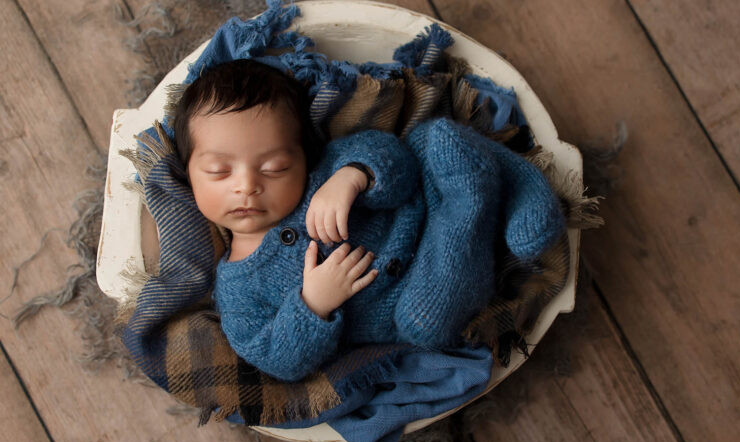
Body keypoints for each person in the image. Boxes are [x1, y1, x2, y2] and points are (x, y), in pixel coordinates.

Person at [175, 59, 565, 382]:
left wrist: (353, 175)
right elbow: (277, 360)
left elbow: (395, 158)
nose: (247, 186)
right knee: (425, 322)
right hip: (417, 290)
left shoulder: (325, 172)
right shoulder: (238, 292)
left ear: (302, 157)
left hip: (425, 199)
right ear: (189, 174)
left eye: (275, 167)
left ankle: (491, 188)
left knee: (434, 141)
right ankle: (480, 200)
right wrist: (313, 304)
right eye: (219, 171)